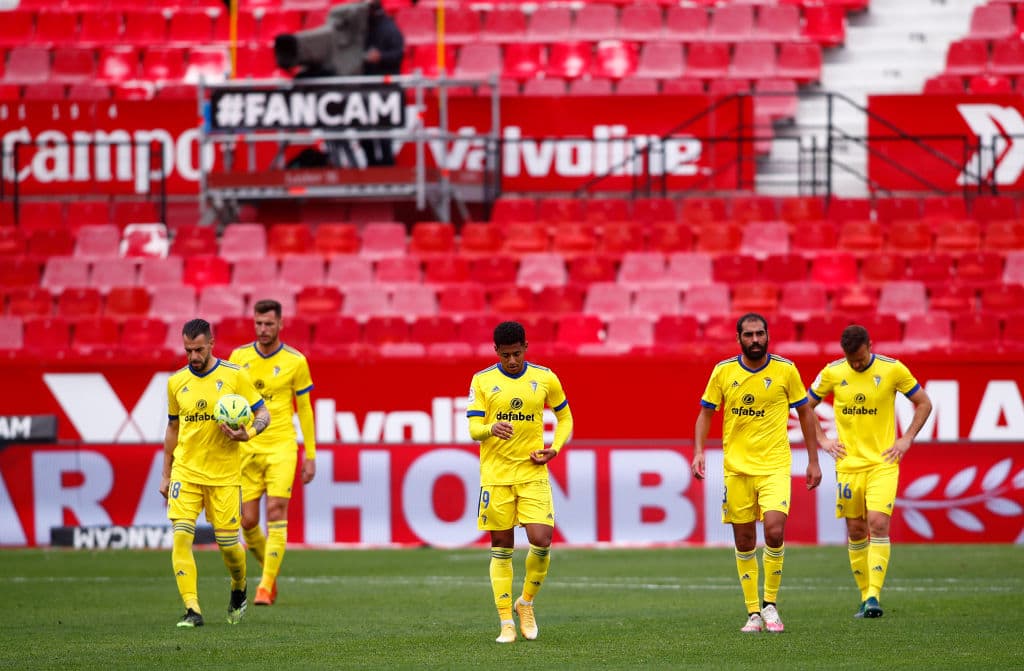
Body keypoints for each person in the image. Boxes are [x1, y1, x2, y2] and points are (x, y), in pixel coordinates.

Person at [691, 312, 822, 634]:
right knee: (745, 539)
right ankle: (752, 613)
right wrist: (698, 452)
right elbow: (706, 413)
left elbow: (805, 413)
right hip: (736, 469)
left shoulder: (785, 370)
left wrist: (813, 460)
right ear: (739, 338)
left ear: (767, 335)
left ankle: (770, 605)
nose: (755, 340)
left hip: (775, 466)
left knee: (774, 531)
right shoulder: (723, 372)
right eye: (748, 335)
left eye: (760, 334)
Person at [806, 324, 932, 619]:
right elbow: (805, 406)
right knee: (856, 529)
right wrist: (824, 440)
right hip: (848, 466)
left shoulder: (893, 369)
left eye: (860, 358)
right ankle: (864, 596)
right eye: (851, 360)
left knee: (877, 523)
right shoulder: (833, 372)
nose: (856, 364)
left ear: (870, 346)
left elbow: (923, 403)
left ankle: (874, 596)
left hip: (882, 463)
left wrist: (906, 438)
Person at [466, 321, 574, 644]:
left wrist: (554, 447)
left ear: (526, 347)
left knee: (542, 539)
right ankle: (505, 623)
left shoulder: (544, 378)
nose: (512, 361)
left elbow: (566, 416)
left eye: (517, 353)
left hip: (532, 472)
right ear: (495, 351)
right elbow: (473, 429)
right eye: (506, 355)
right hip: (497, 476)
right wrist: (490, 429)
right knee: (501, 547)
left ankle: (525, 603)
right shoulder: (483, 381)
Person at [160, 318, 270, 628]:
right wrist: (166, 474)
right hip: (187, 471)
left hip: (224, 476)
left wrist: (247, 433)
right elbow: (172, 427)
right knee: (181, 538)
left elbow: (263, 413)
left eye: (198, 349)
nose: (193, 356)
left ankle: (239, 585)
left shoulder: (235, 376)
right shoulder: (176, 382)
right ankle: (192, 609)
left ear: (211, 344)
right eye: (187, 350)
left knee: (229, 547)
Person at [229, 300, 317, 606]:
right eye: (258, 323)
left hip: (281, 445)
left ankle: (265, 586)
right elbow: (230, 402)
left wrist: (311, 454)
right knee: (248, 521)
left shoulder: (296, 361)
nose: (263, 329)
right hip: (248, 446)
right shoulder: (238, 358)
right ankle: (272, 570)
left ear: (280, 324)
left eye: (268, 324)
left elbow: (304, 409)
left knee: (276, 510)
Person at [360, 0, 404, 167]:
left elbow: (398, 54)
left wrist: (381, 57)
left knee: (384, 134)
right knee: (363, 131)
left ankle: (388, 167)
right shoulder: (363, 29)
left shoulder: (390, 28)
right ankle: (372, 165)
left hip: (385, 90)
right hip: (366, 89)